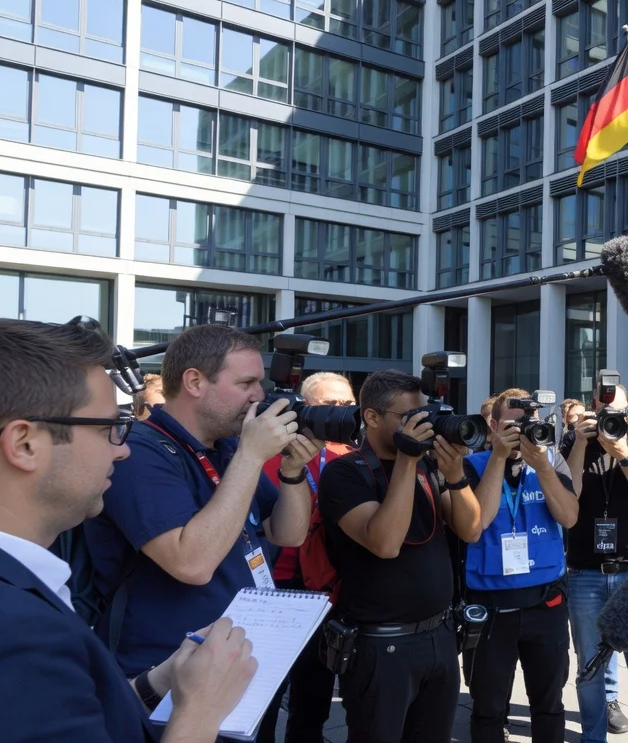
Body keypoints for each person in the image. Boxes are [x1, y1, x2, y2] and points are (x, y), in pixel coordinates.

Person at [0, 317, 257, 743]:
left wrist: (158, 682)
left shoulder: (28, 593)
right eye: (108, 429)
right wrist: (199, 713)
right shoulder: (22, 633)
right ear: (25, 444)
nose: (122, 451)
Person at [86, 324, 315, 677]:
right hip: (162, 673)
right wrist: (252, 458)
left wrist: (293, 470)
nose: (259, 396)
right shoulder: (139, 452)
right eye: (246, 383)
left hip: (239, 659)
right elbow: (191, 564)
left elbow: (288, 534)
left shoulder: (229, 447)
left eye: (260, 383)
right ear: (194, 382)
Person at [317, 370, 483, 743]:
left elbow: (471, 530)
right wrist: (408, 460)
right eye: (409, 418)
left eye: (423, 414)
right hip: (381, 645)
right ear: (372, 417)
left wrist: (455, 475)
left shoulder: (428, 467)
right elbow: (386, 543)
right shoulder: (345, 474)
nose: (422, 425)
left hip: (439, 636)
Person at [462, 388, 578, 742]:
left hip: (545, 604)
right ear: (493, 425)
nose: (523, 432)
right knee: (489, 707)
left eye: (530, 424)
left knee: (548, 703)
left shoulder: (550, 461)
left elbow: (569, 516)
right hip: (490, 606)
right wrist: (498, 457)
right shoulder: (472, 465)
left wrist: (542, 465)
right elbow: (476, 523)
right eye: (513, 425)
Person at [255, 372, 359, 743]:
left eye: (347, 405)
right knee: (262, 698)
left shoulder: (350, 458)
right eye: (330, 405)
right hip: (273, 591)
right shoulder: (265, 452)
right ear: (306, 406)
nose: (341, 413)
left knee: (313, 697)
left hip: (325, 591)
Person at [565, 371, 628, 743]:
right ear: (593, 408)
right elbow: (568, 496)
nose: (610, 417)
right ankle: (593, 738)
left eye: (618, 412)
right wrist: (578, 444)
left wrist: (622, 453)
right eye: (604, 409)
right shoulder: (573, 441)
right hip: (585, 573)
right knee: (590, 668)